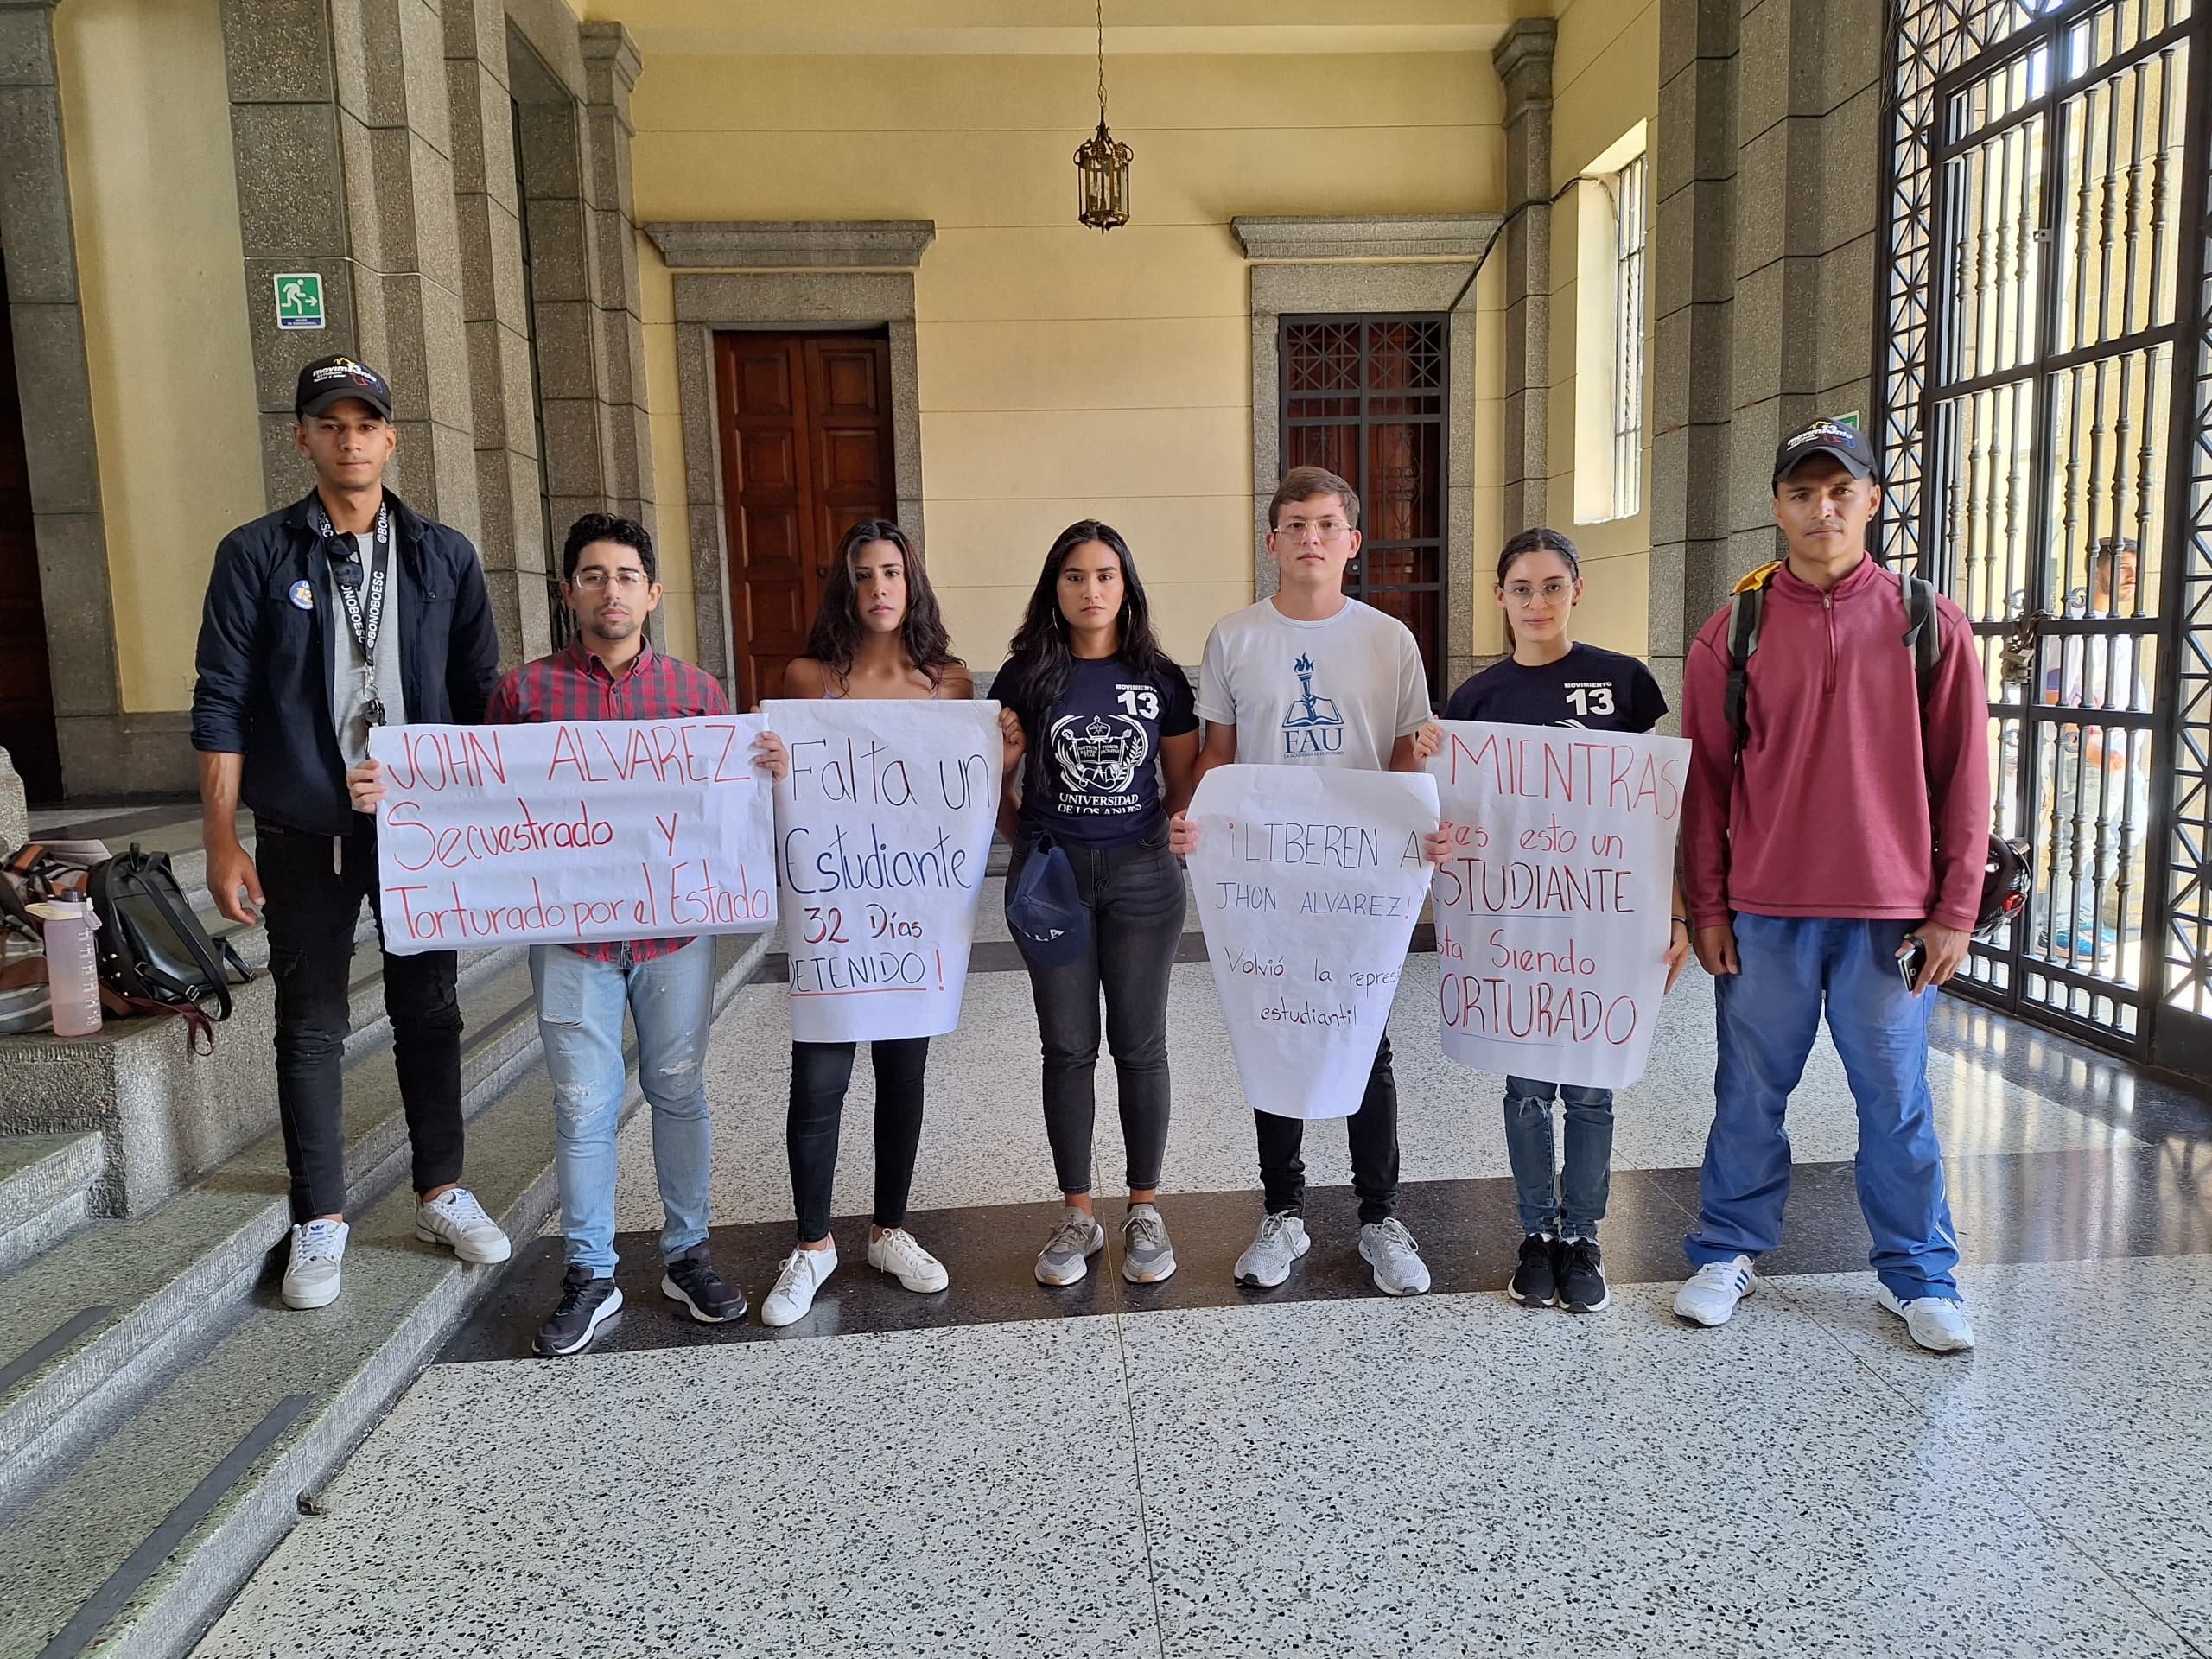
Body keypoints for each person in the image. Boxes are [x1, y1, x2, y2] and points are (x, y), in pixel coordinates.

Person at [348, 513, 789, 1357]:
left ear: (652, 593)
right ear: (568, 592)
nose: (610, 590)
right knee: (582, 1106)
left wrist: (767, 770)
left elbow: (726, 812)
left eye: (625, 575)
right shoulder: (525, 695)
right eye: (592, 575)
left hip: (673, 940)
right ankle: (589, 1272)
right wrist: (395, 792)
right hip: (571, 942)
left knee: (679, 1091)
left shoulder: (697, 696)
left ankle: (687, 1254)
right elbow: (475, 797)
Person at [192, 354, 509, 1311]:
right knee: (312, 1027)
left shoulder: (444, 555)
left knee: (431, 1012)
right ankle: (320, 1215)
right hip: (303, 826)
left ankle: (440, 1190)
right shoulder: (255, 553)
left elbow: (479, 697)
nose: (350, 439)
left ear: (390, 437)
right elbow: (221, 700)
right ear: (303, 438)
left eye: (365, 423)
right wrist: (219, 837)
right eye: (330, 424)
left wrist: (475, 810)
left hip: (419, 831)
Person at [1675, 417, 1991, 1354]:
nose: (1822, 509)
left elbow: (1965, 776)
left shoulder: (1925, 622)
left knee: (1894, 1099)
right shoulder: (1734, 628)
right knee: (1748, 1093)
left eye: (1840, 491)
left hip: (1889, 915)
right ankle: (1728, 1248)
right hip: (1766, 913)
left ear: (1872, 503)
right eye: (1804, 493)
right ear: (1778, 507)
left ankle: (1918, 1275)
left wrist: (1954, 911)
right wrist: (1707, 905)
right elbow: (1705, 783)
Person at [1170, 465, 1452, 1298]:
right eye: (1295, 525)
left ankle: (1380, 1216)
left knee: (1366, 1033)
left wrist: (1412, 823)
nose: (1310, 539)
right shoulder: (1235, 637)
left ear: (1352, 543)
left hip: (1358, 874)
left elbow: (1407, 752)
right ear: (1271, 542)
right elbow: (1219, 756)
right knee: (1275, 1027)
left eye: (1327, 525)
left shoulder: (1388, 639)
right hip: (1266, 870)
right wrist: (1199, 827)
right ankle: (1282, 1211)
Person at [1438, 527, 1689, 1314]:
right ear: (1500, 598)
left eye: (1552, 586)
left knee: (1591, 1093)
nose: (1537, 602)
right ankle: (1534, 1235)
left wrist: (1675, 910)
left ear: (1577, 589)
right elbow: (1462, 811)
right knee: (1524, 1089)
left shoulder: (1625, 683)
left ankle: (1582, 1237)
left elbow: (1655, 810)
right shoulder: (1477, 701)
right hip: (1519, 930)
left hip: (1605, 924)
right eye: (1522, 588)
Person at [762, 520, 995, 1327]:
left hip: (912, 913)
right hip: (834, 911)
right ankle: (814, 1242)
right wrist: (774, 769)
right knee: (818, 1079)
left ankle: (890, 1228)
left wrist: (1006, 749)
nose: (879, 588)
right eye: (863, 575)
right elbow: (780, 795)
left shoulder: (951, 685)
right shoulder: (805, 679)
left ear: (912, 581)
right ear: (846, 587)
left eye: (892, 572)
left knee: (904, 1076)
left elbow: (966, 799)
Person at [995, 522, 1199, 1287]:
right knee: (1068, 1046)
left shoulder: (1162, 678)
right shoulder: (1024, 676)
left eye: (1106, 575)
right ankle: (1079, 1213)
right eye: (1075, 576)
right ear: (1056, 587)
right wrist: (1032, 842)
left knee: (1141, 1045)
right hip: (1052, 879)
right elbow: (1000, 793)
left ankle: (1143, 1208)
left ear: (1127, 586)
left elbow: (1181, 785)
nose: (1091, 590)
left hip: (1144, 880)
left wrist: (1149, 838)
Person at [2040, 536, 2152, 965]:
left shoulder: (2115, 622)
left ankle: (2080, 915)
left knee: (2123, 832)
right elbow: (2054, 695)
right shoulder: (2077, 622)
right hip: (2088, 757)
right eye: (2123, 567)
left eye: (2136, 570)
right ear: (2097, 566)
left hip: (2118, 758)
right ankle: (2059, 926)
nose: (2131, 578)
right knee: (2081, 841)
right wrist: (2091, 747)